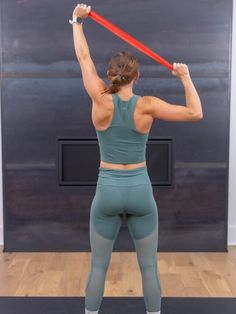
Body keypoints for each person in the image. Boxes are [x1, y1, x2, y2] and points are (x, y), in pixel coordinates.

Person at [70, 4, 203, 314]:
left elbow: (83, 58)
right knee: (149, 267)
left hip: (108, 189)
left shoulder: (99, 98)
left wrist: (77, 21)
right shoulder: (148, 105)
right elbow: (196, 112)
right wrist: (185, 76)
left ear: (109, 75)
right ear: (137, 76)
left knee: (98, 266)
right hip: (140, 189)